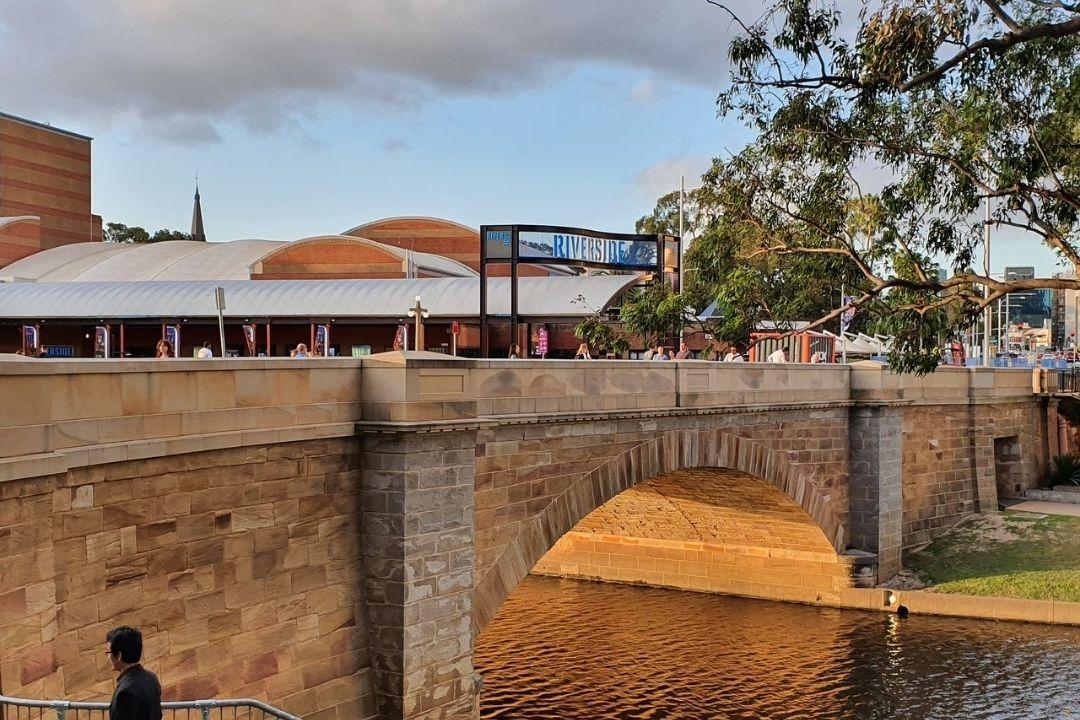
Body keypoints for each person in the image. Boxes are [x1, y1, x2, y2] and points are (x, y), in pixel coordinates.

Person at [105, 626, 162, 720]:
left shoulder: (125, 692)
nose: (108, 657)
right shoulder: (152, 678)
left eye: (109, 653)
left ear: (119, 656)